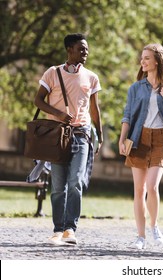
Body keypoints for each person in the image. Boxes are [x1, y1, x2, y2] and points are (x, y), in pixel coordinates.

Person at [34, 33, 103, 245]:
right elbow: (38, 100)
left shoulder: (91, 77)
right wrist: (60, 114)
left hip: (81, 134)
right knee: (58, 186)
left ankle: (70, 230)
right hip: (57, 135)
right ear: (69, 50)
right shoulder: (52, 73)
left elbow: (94, 108)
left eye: (87, 49)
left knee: (76, 182)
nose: (86, 52)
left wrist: (98, 136)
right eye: (81, 48)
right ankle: (57, 229)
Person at [118, 43, 163, 250]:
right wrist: (122, 139)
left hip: (162, 140)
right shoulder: (136, 88)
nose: (142, 61)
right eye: (142, 58)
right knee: (139, 190)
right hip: (139, 138)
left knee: (152, 187)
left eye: (147, 58)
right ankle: (140, 236)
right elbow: (127, 115)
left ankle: (154, 226)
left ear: (157, 61)